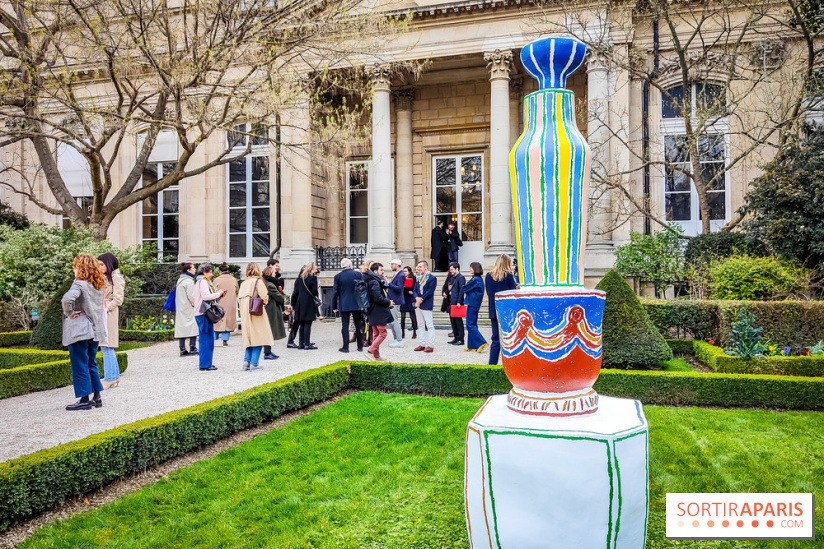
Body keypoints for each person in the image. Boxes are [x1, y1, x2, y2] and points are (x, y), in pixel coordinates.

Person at [62, 254, 107, 411]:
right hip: (95, 330)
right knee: (91, 363)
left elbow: (67, 300)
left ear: (81, 268)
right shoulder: (98, 285)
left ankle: (84, 400)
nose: (73, 269)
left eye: (75, 266)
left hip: (80, 329)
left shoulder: (79, 285)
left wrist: (70, 313)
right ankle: (97, 397)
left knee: (79, 364)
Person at [97, 253, 125, 390]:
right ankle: (115, 376)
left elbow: (118, 299)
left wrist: (106, 309)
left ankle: (109, 378)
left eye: (101, 264)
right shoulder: (108, 277)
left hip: (109, 313)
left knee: (106, 345)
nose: (99, 267)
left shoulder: (116, 278)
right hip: (106, 311)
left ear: (108, 264)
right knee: (107, 346)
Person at [238, 262, 272, 371]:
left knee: (249, 338)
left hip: (245, 313)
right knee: (259, 337)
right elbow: (264, 297)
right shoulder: (258, 281)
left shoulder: (244, 283)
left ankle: (246, 362)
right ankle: (254, 363)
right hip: (256, 312)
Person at [486, 254, 518, 365]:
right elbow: (512, 294)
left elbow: (489, 293)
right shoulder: (508, 276)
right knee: (509, 339)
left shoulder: (488, 276)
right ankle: (510, 364)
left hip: (494, 310)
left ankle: (492, 365)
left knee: (495, 339)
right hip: (507, 311)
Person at [194, 263, 226, 371]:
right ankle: (205, 364)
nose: (211, 274)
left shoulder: (202, 281)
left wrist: (219, 295)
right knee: (206, 340)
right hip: (203, 313)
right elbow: (206, 296)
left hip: (202, 312)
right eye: (210, 272)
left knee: (207, 339)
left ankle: (207, 363)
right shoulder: (203, 281)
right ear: (204, 272)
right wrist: (218, 293)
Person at [332, 258, 364, 353]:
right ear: (350, 265)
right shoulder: (358, 274)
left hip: (344, 303)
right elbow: (362, 289)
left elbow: (335, 292)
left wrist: (334, 306)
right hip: (357, 303)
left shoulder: (338, 276)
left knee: (345, 325)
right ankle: (360, 346)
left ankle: (345, 347)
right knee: (358, 324)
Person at [364, 262, 393, 361]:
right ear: (375, 271)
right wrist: (388, 302)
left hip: (372, 310)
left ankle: (376, 356)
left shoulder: (371, 280)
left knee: (376, 334)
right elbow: (378, 298)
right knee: (383, 333)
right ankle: (370, 351)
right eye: (381, 270)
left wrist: (385, 281)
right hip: (378, 311)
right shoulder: (374, 282)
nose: (383, 272)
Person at [461, 261, 488, 352]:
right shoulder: (477, 279)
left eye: (471, 267)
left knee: (470, 325)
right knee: (472, 324)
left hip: (473, 303)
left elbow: (465, 288)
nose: (470, 269)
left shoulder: (476, 279)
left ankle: (481, 342)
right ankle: (472, 345)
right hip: (474, 303)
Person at [293, 262, 319, 350]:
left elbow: (295, 292)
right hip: (308, 302)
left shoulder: (300, 278)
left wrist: (293, 304)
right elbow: (314, 292)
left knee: (301, 324)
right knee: (308, 323)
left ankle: (301, 344)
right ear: (311, 269)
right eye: (315, 269)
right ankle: (307, 344)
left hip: (300, 303)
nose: (316, 270)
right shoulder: (313, 278)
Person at [174, 262, 198, 357]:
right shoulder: (189, 281)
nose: (195, 269)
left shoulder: (180, 280)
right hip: (189, 307)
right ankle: (192, 347)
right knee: (193, 327)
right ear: (188, 270)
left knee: (182, 328)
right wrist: (196, 305)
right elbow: (192, 296)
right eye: (193, 268)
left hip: (181, 307)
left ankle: (182, 349)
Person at [413, 260, 437, 353]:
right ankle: (421, 344)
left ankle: (430, 345)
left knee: (429, 325)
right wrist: (416, 298)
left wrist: (420, 299)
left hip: (426, 303)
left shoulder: (432, 278)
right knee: (420, 325)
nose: (418, 268)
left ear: (425, 267)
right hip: (418, 303)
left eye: (420, 267)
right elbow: (414, 289)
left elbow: (430, 292)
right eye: (418, 267)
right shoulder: (417, 278)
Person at [261, 266, 285, 359]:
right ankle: (267, 352)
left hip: (267, 308)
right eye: (274, 272)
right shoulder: (270, 285)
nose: (276, 274)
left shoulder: (264, 283)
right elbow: (279, 297)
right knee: (269, 331)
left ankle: (268, 351)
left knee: (268, 330)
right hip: (270, 309)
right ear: (270, 273)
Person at [213, 263, 239, 346]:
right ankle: (225, 339)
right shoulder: (233, 279)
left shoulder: (216, 280)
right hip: (230, 303)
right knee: (228, 320)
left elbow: (212, 291)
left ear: (220, 271)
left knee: (217, 321)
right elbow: (237, 291)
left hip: (219, 302)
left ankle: (214, 338)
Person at [385, 258, 406, 348]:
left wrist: (388, 283)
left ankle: (399, 340)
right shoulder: (397, 274)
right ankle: (396, 339)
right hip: (393, 299)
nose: (391, 266)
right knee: (392, 322)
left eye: (392, 264)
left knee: (394, 321)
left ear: (397, 265)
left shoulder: (401, 275)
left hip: (395, 300)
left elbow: (399, 288)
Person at [447, 262, 466, 346]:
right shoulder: (452, 278)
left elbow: (462, 291)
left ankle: (461, 339)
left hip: (457, 302)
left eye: (452, 269)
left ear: (457, 269)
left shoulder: (461, 278)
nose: (450, 271)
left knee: (458, 321)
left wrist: (459, 301)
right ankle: (456, 337)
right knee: (453, 321)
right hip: (452, 301)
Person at [400, 266, 418, 339]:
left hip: (410, 298)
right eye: (404, 271)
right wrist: (407, 291)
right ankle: (403, 333)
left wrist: (411, 292)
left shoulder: (413, 278)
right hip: (404, 298)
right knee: (403, 317)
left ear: (409, 272)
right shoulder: (401, 278)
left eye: (406, 271)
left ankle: (414, 332)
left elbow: (415, 288)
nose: (404, 273)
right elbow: (400, 288)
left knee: (412, 316)